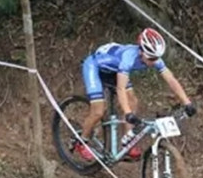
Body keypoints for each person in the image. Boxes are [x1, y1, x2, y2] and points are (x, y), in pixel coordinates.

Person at [76, 28, 196, 161]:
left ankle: (128, 142)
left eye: (156, 58)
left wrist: (187, 102)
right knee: (98, 111)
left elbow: (171, 80)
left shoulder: (154, 58)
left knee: (133, 100)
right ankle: (81, 142)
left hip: (115, 72)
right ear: (141, 51)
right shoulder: (128, 58)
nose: (153, 61)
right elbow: (121, 88)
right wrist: (128, 113)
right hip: (95, 67)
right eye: (151, 58)